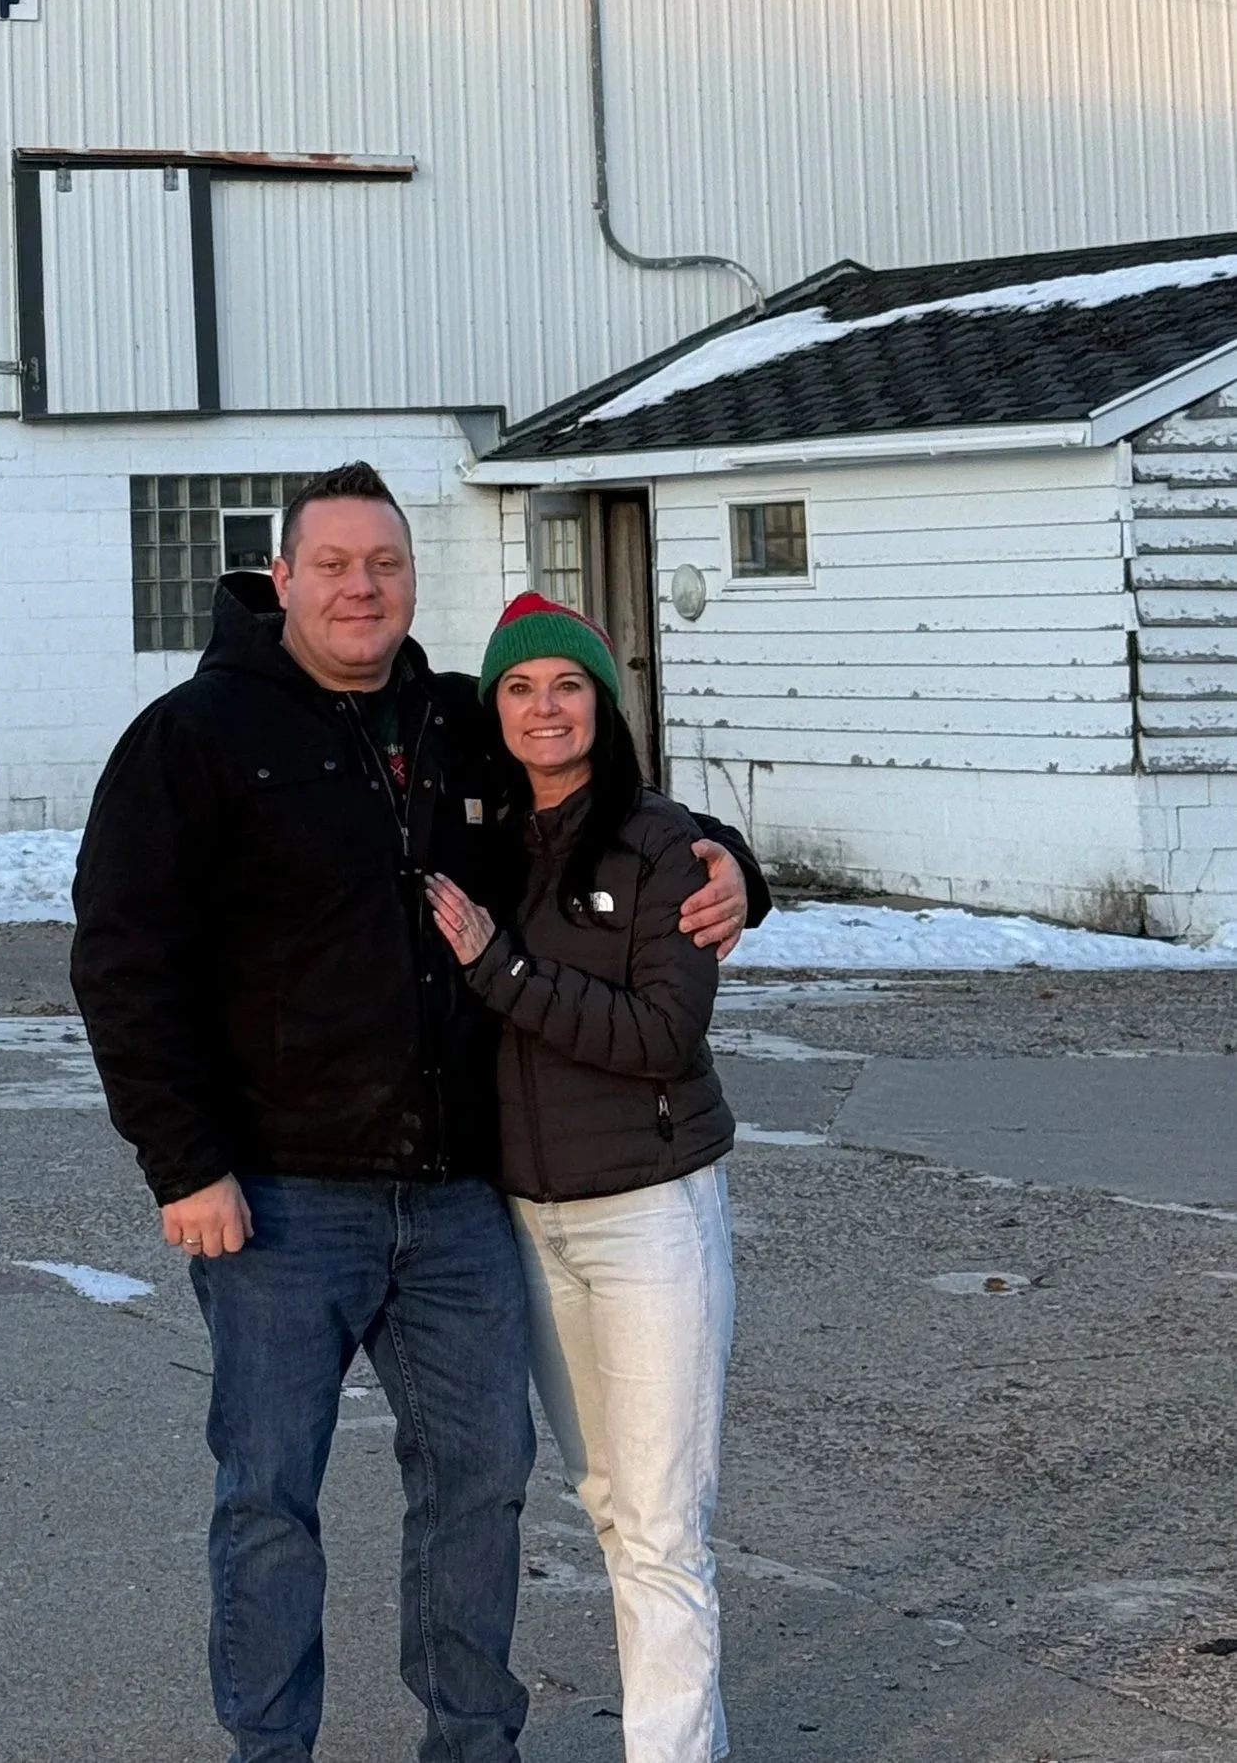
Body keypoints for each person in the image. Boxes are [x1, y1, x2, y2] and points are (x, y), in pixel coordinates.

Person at [70, 464, 765, 1763]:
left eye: (382, 564)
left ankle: (469, 1742)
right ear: (280, 578)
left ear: (407, 579)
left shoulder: (453, 717)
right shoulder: (196, 738)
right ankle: (270, 1747)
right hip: (277, 1200)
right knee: (269, 1497)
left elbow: (593, 794)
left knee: (476, 1486)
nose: (359, 586)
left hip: (454, 1199)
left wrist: (730, 862)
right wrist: (184, 1162)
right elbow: (122, 958)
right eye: (330, 564)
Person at [426, 594, 738, 1763]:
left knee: (662, 1526)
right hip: (528, 1219)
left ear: (603, 705)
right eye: (517, 688)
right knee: (609, 1508)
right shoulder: (485, 839)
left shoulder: (662, 845)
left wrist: (497, 969)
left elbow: (662, 1034)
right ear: (493, 709)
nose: (543, 708)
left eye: (566, 685)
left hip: (651, 1215)